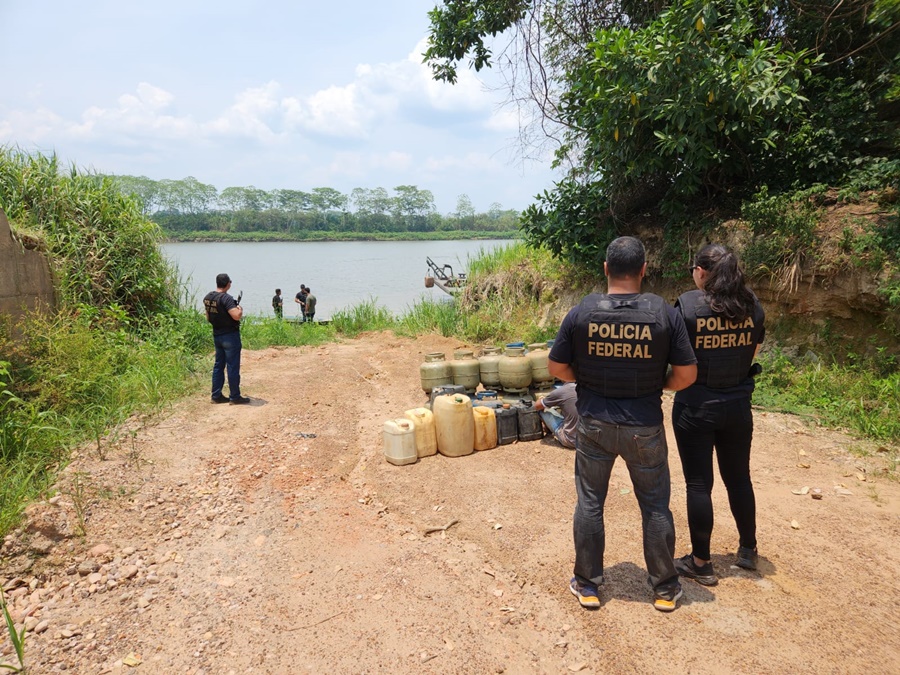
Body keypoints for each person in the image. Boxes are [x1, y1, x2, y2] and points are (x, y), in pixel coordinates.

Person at [547, 236, 697, 612]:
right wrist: (656, 384)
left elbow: (556, 367)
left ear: (606, 269)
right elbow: (687, 374)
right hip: (644, 426)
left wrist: (586, 380)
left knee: (590, 502)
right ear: (643, 270)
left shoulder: (582, 312)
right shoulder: (664, 313)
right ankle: (665, 588)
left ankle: (588, 585)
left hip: (594, 423)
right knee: (655, 506)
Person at [672, 244, 766, 586]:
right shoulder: (752, 305)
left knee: (699, 483)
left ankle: (701, 562)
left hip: (695, 407)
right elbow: (753, 351)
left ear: (700, 272)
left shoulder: (687, 306)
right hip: (738, 407)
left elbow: (677, 360)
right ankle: (748, 550)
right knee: (739, 478)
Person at [203, 273, 251, 405]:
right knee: (232, 366)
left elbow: (208, 317)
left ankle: (216, 395)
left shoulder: (208, 297)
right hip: (230, 336)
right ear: (228, 284)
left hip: (217, 335)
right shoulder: (226, 298)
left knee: (218, 365)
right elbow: (236, 316)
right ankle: (235, 396)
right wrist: (239, 309)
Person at [534, 382, 579, 448]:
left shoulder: (561, 391)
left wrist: (541, 399)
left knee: (540, 410)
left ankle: (548, 430)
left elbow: (537, 406)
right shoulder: (587, 389)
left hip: (570, 440)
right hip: (588, 440)